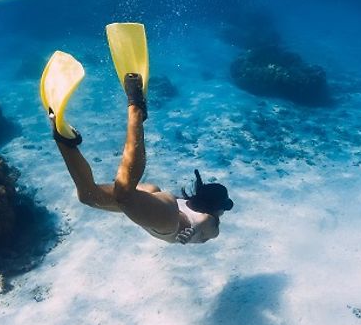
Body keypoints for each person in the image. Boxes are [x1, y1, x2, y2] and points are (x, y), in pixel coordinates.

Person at [41, 24, 233, 244]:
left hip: (160, 203)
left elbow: (196, 219)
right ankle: (135, 108)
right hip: (169, 221)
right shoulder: (211, 222)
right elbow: (204, 225)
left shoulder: (186, 204)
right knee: (124, 194)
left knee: (89, 196)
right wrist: (191, 231)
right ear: (217, 207)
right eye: (223, 208)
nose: (222, 213)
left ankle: (64, 140)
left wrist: (191, 228)